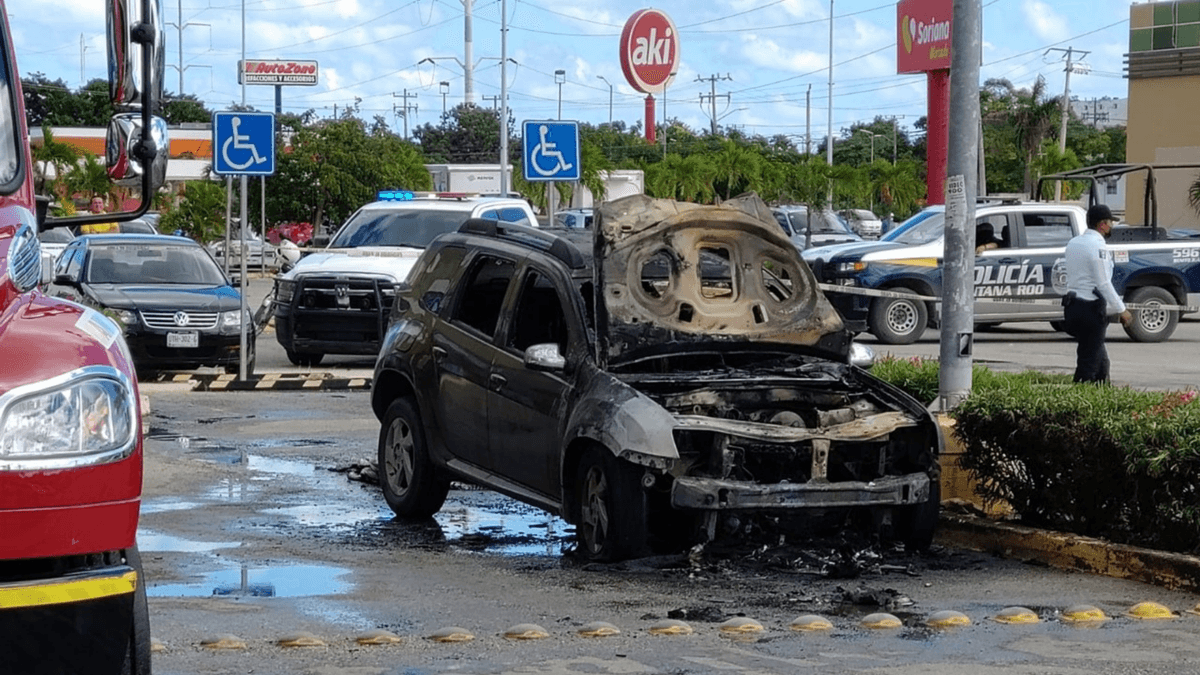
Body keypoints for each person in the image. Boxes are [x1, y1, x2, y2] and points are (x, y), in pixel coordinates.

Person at [1062, 203, 1132, 383]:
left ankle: (1103, 392)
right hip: (1090, 308)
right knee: (1089, 363)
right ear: (1102, 224)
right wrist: (1121, 309)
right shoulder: (1097, 246)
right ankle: (1079, 401)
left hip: (1072, 306)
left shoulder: (1074, 242)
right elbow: (1103, 283)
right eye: (1110, 222)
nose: (1112, 226)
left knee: (1100, 362)